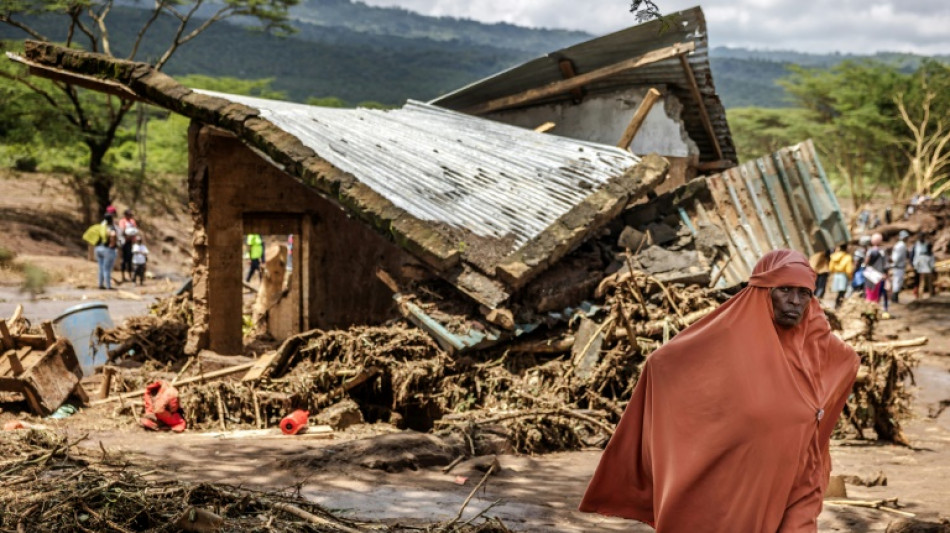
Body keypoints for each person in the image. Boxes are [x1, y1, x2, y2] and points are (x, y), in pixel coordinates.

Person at [579, 250, 859, 532]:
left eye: (804, 293)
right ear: (763, 291)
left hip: (800, 478)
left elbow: (845, 362)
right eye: (784, 290)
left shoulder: (815, 341)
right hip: (740, 477)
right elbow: (664, 363)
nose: (795, 301)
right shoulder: (728, 337)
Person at [864, 233, 889, 313]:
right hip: (879, 276)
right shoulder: (883, 251)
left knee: (869, 294)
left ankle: (869, 311)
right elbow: (886, 265)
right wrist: (886, 275)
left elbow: (865, 263)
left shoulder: (870, 251)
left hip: (870, 276)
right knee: (877, 295)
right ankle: (874, 311)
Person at [94, 213, 119, 290]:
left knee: (101, 268)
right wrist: (112, 244)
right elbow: (113, 235)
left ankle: (100, 284)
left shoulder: (101, 226)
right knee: (107, 268)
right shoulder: (111, 227)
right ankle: (108, 286)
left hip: (98, 248)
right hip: (107, 249)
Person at [829, 244, 854, 309]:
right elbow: (849, 270)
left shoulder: (834, 256)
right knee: (842, 292)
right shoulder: (847, 257)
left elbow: (830, 268)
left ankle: (836, 305)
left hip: (836, 275)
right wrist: (850, 277)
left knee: (838, 292)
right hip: (843, 275)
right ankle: (838, 306)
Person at [117, 209, 139, 282]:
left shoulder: (132, 221)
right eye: (128, 215)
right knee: (124, 260)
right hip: (124, 242)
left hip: (131, 242)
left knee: (130, 259)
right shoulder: (122, 221)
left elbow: (135, 229)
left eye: (130, 215)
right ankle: (123, 276)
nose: (129, 216)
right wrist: (127, 233)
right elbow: (122, 230)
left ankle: (130, 275)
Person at [890, 230, 909, 303]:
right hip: (898, 267)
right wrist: (895, 263)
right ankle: (894, 298)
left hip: (898, 266)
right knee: (897, 282)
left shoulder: (900, 245)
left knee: (897, 282)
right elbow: (897, 257)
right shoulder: (901, 246)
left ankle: (895, 298)